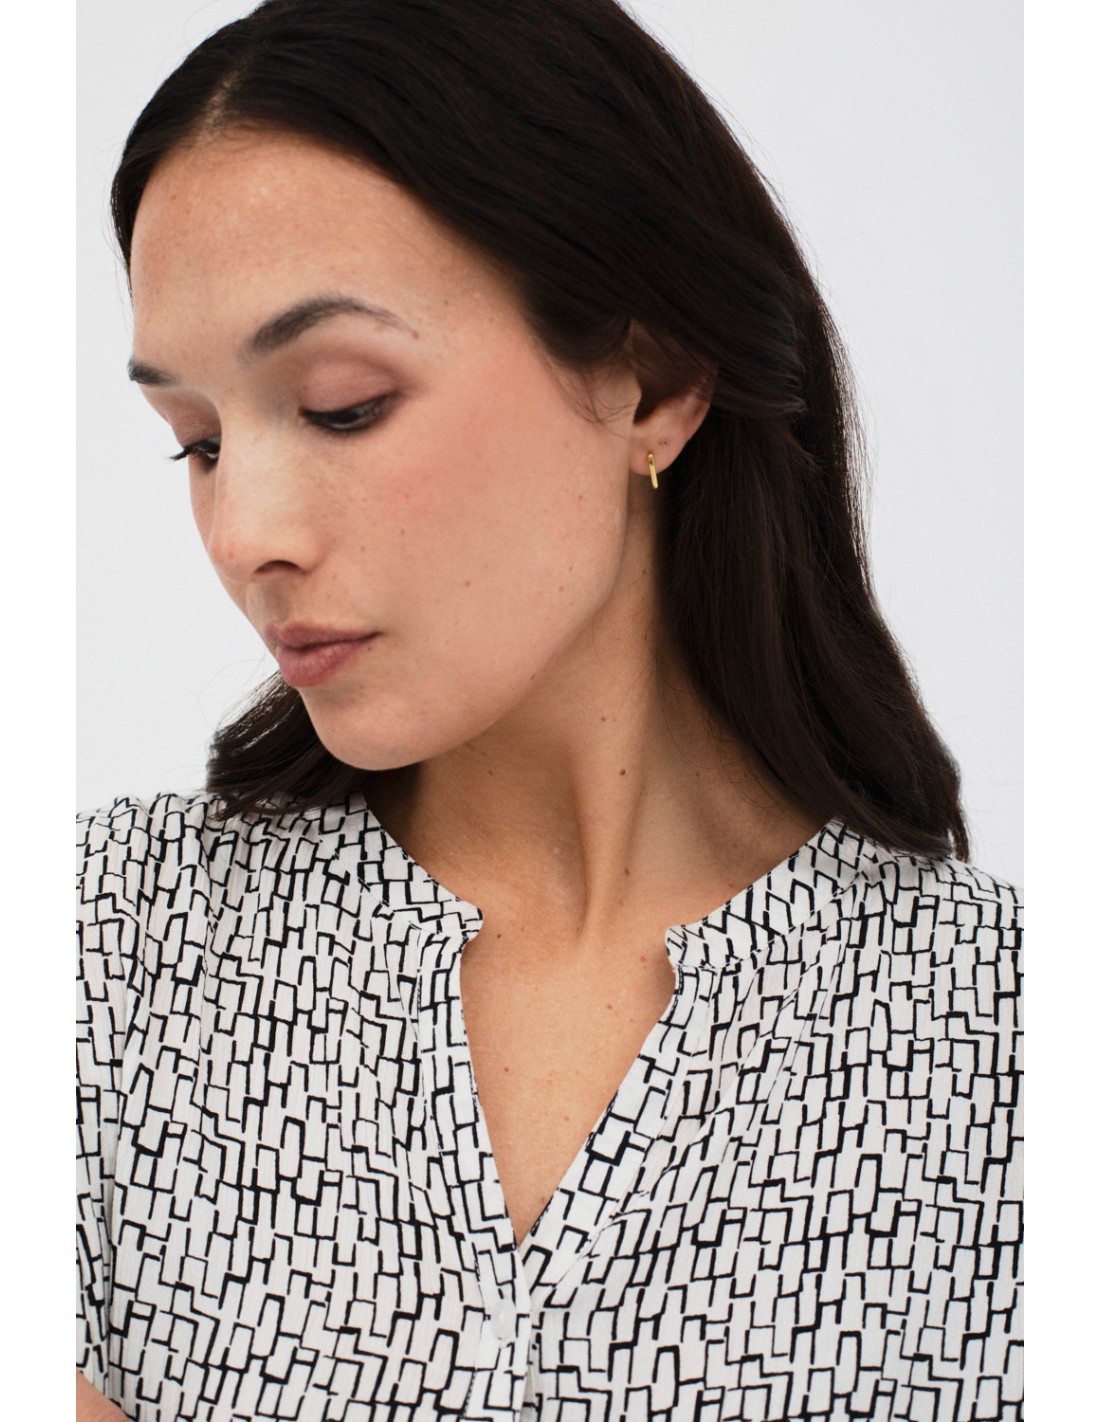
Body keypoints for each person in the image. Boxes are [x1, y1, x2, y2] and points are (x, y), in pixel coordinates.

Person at [76, 1, 1023, 1418]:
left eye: (341, 404)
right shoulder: (103, 955)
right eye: (197, 442)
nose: (243, 533)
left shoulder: (1009, 1046)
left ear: (655, 380)